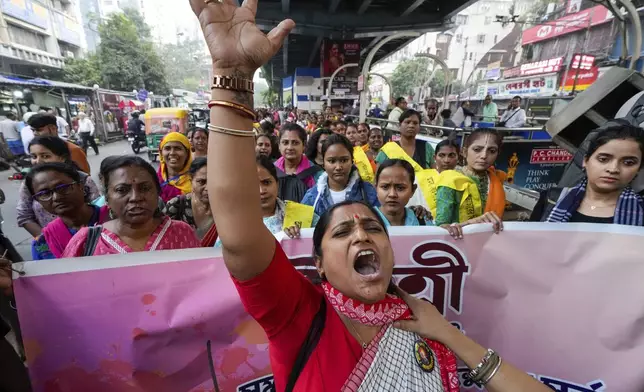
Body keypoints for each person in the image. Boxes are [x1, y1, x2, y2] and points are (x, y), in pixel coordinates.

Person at [191, 2, 551, 391]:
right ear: (320, 265)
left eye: (372, 228)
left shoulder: (422, 320)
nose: (362, 236)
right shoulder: (298, 313)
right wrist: (232, 76)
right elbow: (239, 228)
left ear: (390, 249)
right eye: (342, 233)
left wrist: (449, 335)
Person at [63, 156, 200, 257]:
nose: (135, 197)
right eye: (122, 190)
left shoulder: (182, 232)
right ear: (107, 198)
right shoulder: (87, 241)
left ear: (157, 193)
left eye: (145, 188)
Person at [535, 124, 644, 224]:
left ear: (639, 169)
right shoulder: (551, 200)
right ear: (586, 161)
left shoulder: (641, 210)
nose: (613, 169)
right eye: (603, 159)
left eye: (628, 163)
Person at [215, 155, 319, 247]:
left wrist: (301, 239)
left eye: (267, 182)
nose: (261, 191)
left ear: (277, 184)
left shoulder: (303, 214)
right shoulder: (235, 224)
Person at [17, 136, 100, 238]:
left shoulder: (82, 179)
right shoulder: (28, 184)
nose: (38, 161)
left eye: (45, 156)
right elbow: (24, 216)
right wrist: (47, 239)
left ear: (62, 157)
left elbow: (97, 208)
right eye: (34, 156)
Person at [27, 163, 108, 260]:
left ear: (81, 186)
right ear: (38, 200)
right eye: (45, 193)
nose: (56, 197)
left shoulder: (115, 219)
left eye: (63, 188)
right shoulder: (42, 244)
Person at [434, 129, 506, 229]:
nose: (484, 156)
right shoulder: (450, 180)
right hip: (457, 241)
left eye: (492, 151)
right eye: (477, 149)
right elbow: (441, 227)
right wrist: (470, 224)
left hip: (490, 238)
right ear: (464, 152)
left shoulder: (496, 179)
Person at [301, 134, 379, 216]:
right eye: (331, 161)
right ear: (323, 164)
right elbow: (300, 223)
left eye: (344, 160)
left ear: (352, 162)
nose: (338, 167)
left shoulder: (367, 192)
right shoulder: (312, 197)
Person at [164, 157, 214, 239]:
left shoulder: (226, 208)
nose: (207, 188)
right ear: (191, 181)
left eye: (212, 182)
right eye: (201, 182)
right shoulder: (177, 205)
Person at [375, 159, 432, 226]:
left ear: (413, 190)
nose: (392, 194)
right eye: (385, 187)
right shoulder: (366, 221)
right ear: (376, 188)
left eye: (400, 188)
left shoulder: (422, 221)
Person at [274, 123, 320, 201]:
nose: (290, 147)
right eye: (285, 142)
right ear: (279, 145)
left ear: (304, 145)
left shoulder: (316, 175)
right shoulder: (272, 171)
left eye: (295, 143)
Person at [157, 132, 193, 202]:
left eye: (177, 148)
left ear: (187, 153)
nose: (172, 153)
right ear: (161, 153)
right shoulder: (154, 180)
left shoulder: (196, 182)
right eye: (167, 148)